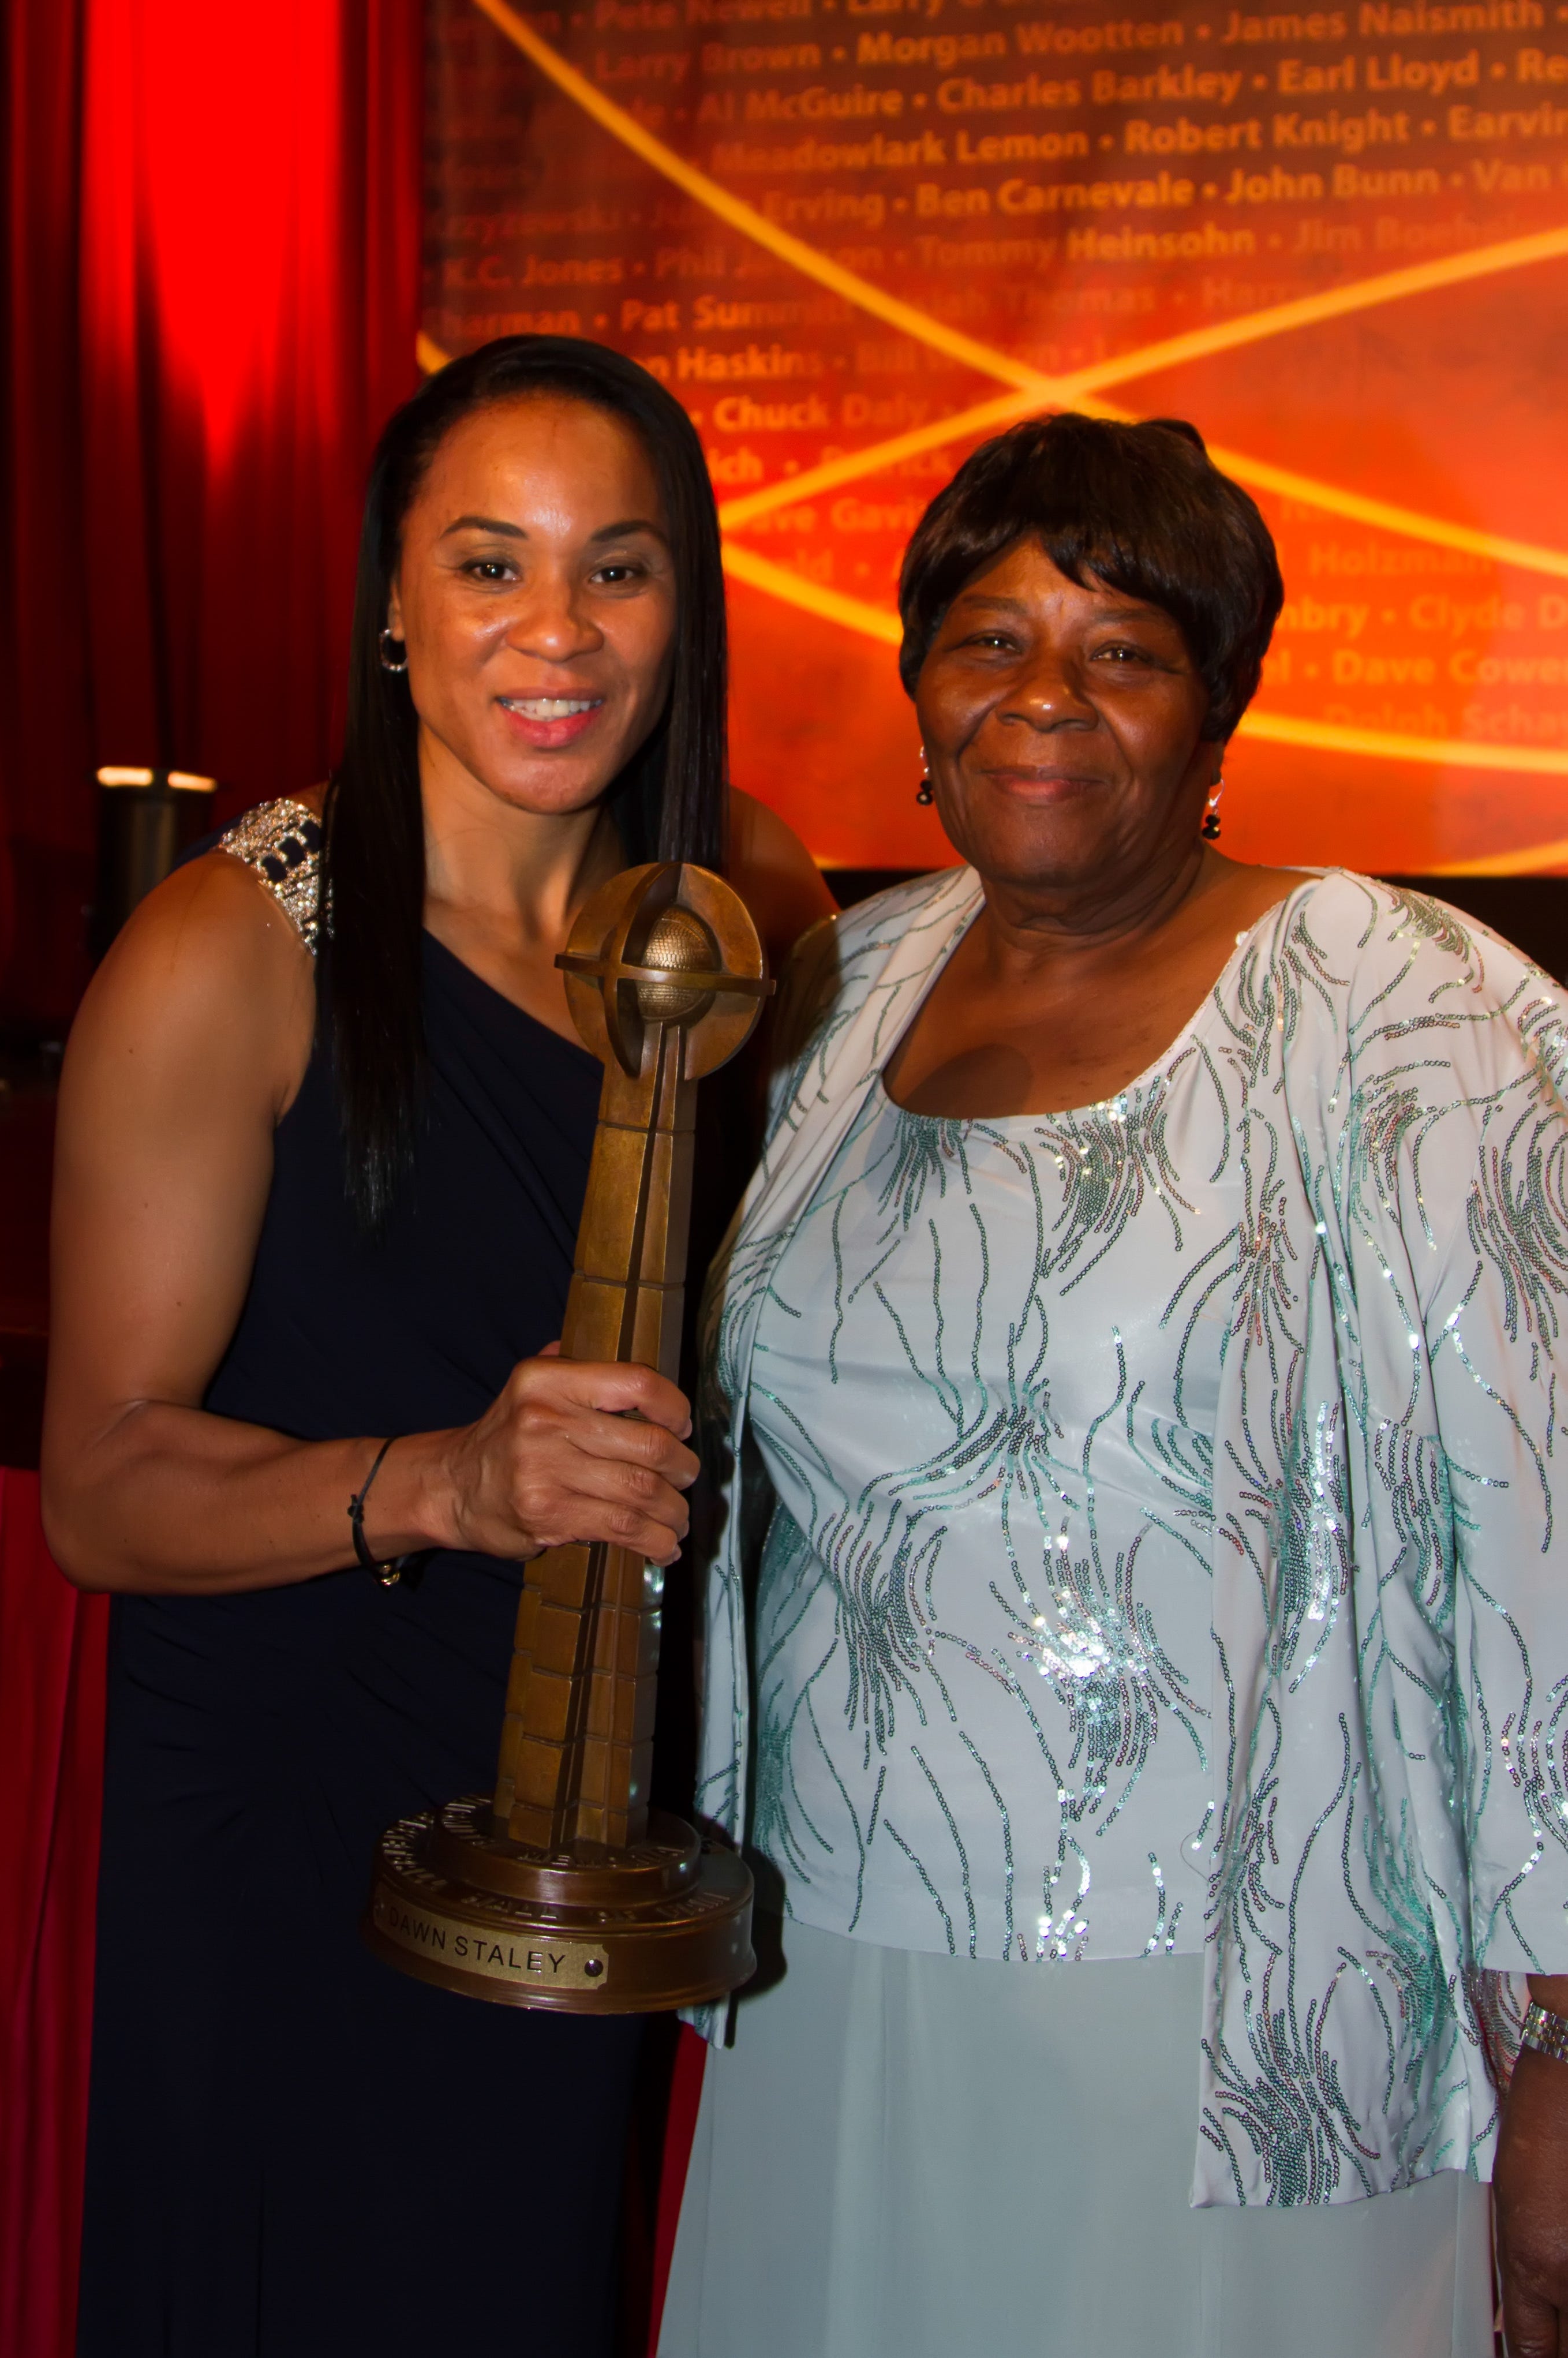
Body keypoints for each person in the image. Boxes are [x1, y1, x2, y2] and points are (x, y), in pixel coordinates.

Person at [660, 413, 1568, 2358]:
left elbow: (1540, 1542)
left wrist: (1562, 2028)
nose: (1039, 699)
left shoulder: (1412, 1011)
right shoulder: (837, 998)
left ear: (1217, 706)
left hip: (1237, 2014)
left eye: (1120, 651)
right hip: (830, 1964)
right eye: (984, 639)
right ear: (913, 685)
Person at [42, 334, 833, 2358]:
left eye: (617, 568)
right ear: (391, 606)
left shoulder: (748, 911)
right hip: (291, 1821)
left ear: (689, 607)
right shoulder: (235, 949)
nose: (552, 631)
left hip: (585, 1838)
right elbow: (105, 1484)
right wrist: (452, 1481)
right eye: (488, 567)